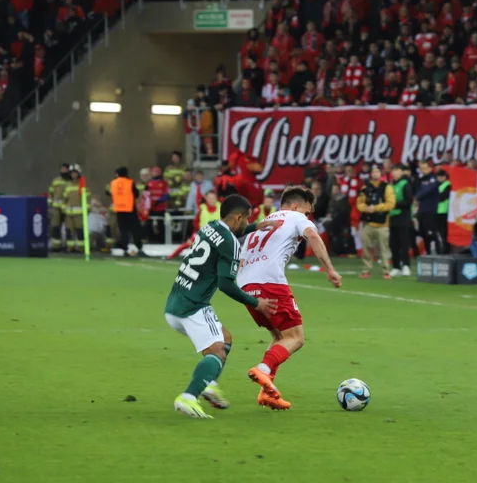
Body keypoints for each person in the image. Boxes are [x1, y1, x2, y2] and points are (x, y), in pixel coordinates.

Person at [164, 194, 277, 418]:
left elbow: (229, 234)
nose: (247, 222)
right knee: (217, 351)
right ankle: (188, 397)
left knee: (225, 339)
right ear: (237, 217)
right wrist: (256, 303)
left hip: (175, 302)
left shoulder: (210, 226)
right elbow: (226, 284)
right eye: (246, 219)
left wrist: (255, 226)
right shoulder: (232, 246)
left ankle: (209, 385)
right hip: (193, 306)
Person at [239, 185, 342, 410]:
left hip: (246, 286)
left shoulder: (262, 224)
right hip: (270, 282)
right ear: (296, 206)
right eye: (307, 212)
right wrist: (330, 269)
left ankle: (267, 393)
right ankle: (263, 369)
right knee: (296, 337)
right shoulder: (296, 217)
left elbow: (241, 258)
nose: (307, 217)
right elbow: (313, 236)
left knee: (279, 336)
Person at [357, 165, 396, 279]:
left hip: (383, 224)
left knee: (384, 249)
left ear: (381, 174)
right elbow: (359, 203)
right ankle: (366, 270)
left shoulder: (387, 187)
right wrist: (366, 208)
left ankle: (386, 271)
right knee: (367, 249)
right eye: (373, 172)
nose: (375, 174)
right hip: (368, 223)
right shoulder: (365, 187)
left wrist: (376, 208)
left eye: (377, 172)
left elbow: (391, 204)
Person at [108, 167, 142, 256]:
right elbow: (136, 194)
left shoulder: (113, 183)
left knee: (123, 230)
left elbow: (108, 192)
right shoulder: (130, 182)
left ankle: (125, 248)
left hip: (119, 209)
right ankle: (138, 247)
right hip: (130, 209)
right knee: (135, 229)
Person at [388, 163, 414, 277]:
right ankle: (396, 266)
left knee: (404, 242)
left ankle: (406, 265)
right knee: (394, 243)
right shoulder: (391, 185)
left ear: (401, 172)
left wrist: (395, 204)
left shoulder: (406, 184)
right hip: (392, 217)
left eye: (397, 170)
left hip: (403, 217)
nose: (394, 173)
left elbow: (408, 201)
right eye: (393, 170)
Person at [414, 160, 443, 254]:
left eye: (425, 168)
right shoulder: (422, 179)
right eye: (421, 168)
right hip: (422, 210)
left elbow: (426, 190)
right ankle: (428, 252)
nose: (423, 170)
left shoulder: (433, 179)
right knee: (423, 233)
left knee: (431, 233)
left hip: (430, 209)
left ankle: (439, 252)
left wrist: (415, 197)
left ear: (430, 168)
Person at [48, 163, 72, 251]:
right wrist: (50, 204)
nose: (63, 170)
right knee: (55, 227)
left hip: (67, 209)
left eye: (65, 169)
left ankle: (69, 246)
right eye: (62, 169)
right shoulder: (56, 181)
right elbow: (51, 193)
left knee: (69, 227)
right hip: (56, 208)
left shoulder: (71, 182)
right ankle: (56, 246)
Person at [63, 164, 84, 251]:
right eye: (72, 173)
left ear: (78, 173)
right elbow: (64, 198)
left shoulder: (82, 185)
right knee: (69, 231)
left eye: (75, 173)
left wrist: (87, 208)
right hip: (69, 213)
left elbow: (87, 198)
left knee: (79, 231)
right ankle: (70, 247)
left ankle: (81, 247)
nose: (73, 175)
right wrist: (63, 207)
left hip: (79, 213)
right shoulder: (67, 185)